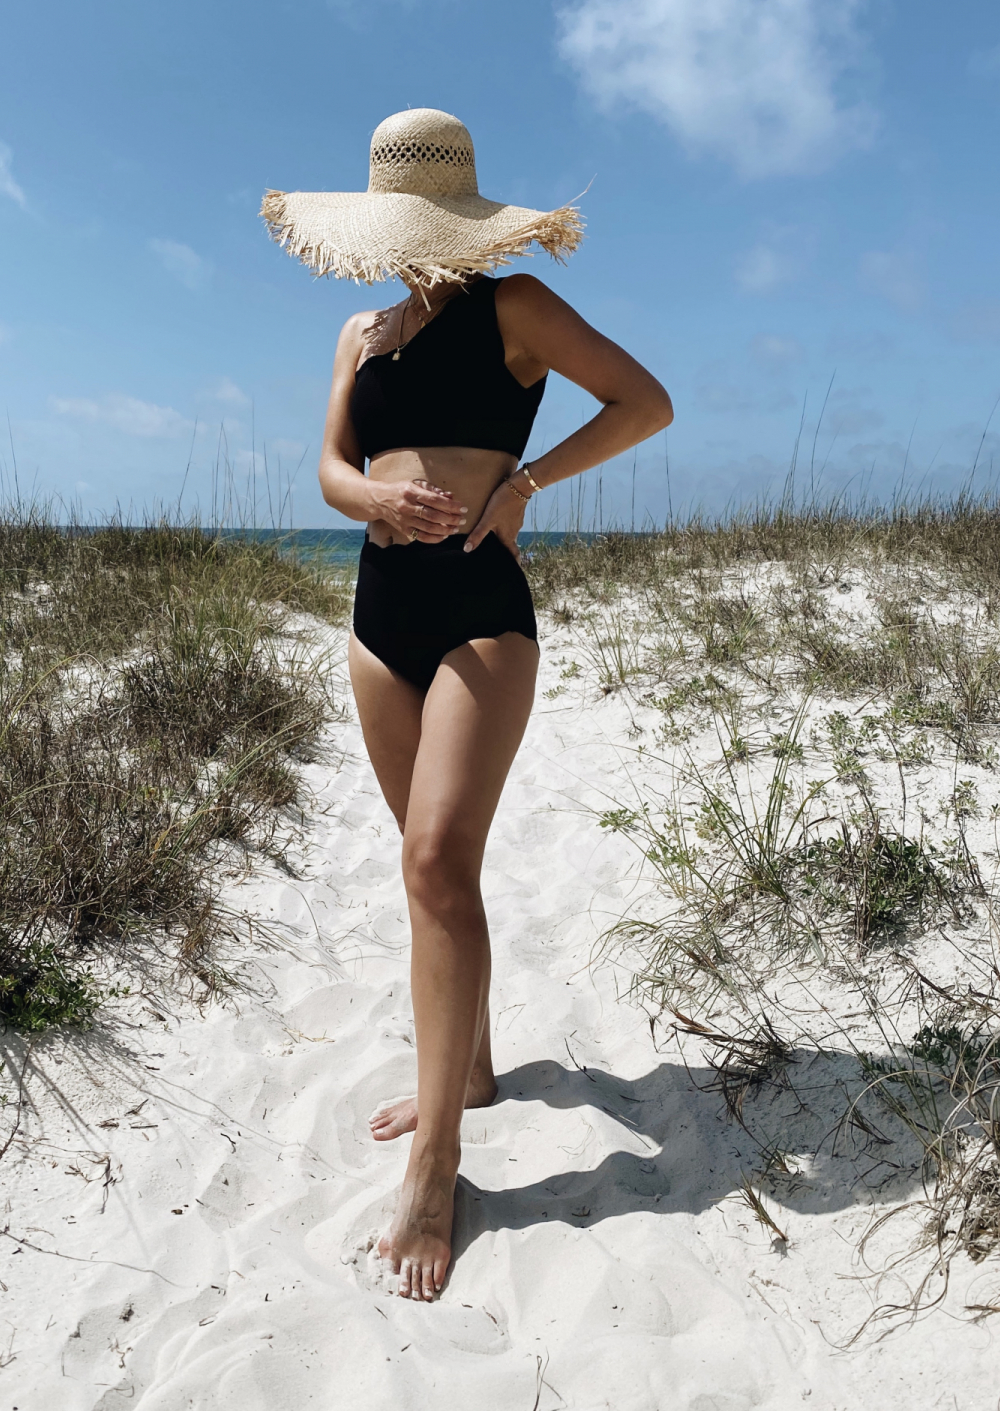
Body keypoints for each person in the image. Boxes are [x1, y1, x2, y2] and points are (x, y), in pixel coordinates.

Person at [261, 108, 673, 1303]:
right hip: (376, 624)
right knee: (426, 865)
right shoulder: (361, 330)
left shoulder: (518, 310)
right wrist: (370, 504)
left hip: (481, 611)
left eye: (431, 226)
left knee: (440, 859)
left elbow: (642, 402)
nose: (415, 245)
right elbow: (332, 469)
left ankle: (440, 1158)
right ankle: (475, 1069)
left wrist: (531, 481)